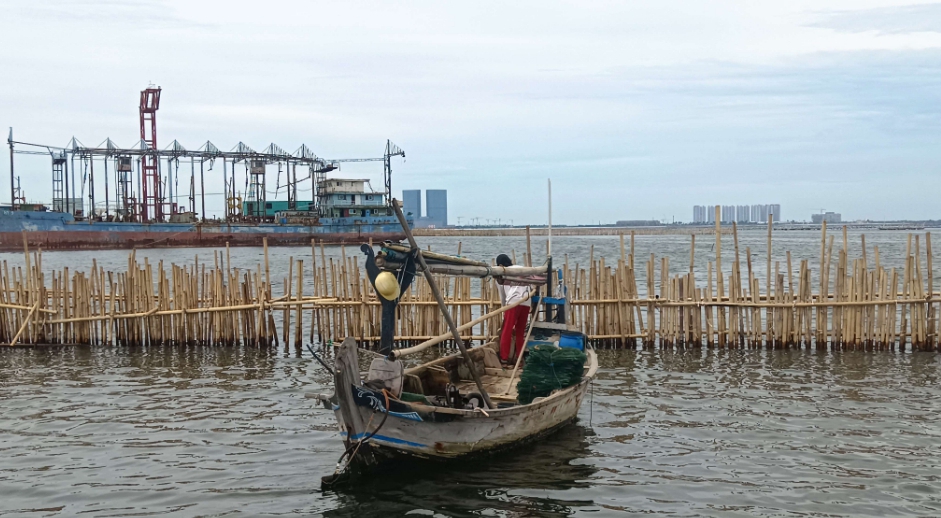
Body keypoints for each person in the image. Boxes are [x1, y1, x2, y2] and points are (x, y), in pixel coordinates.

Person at [495, 254, 531, 364]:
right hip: (526, 301)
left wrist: (504, 308)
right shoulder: (520, 268)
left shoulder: (502, 273)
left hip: (513, 301)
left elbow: (502, 295)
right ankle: (520, 358)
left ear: (500, 265)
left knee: (507, 330)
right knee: (520, 332)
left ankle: (504, 358)